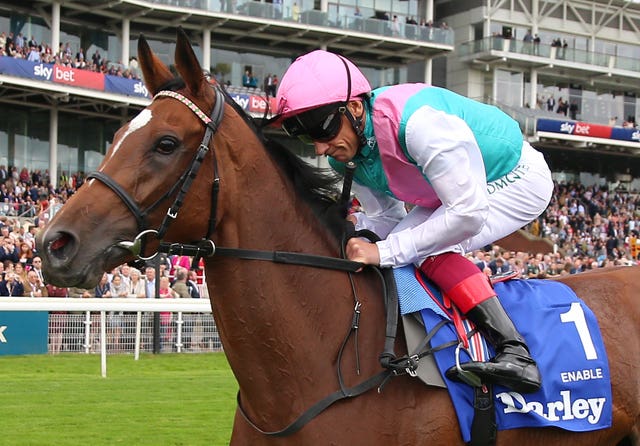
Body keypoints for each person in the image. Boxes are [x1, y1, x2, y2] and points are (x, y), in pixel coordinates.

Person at [272, 50, 554, 393]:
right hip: (454, 191)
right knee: (402, 244)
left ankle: (516, 353)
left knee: (420, 248)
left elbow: (467, 213)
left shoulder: (419, 125)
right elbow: (386, 218)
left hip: (517, 175)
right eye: (305, 137)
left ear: (356, 108)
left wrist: (383, 251)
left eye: (322, 129)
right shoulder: (344, 156)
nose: (319, 148)